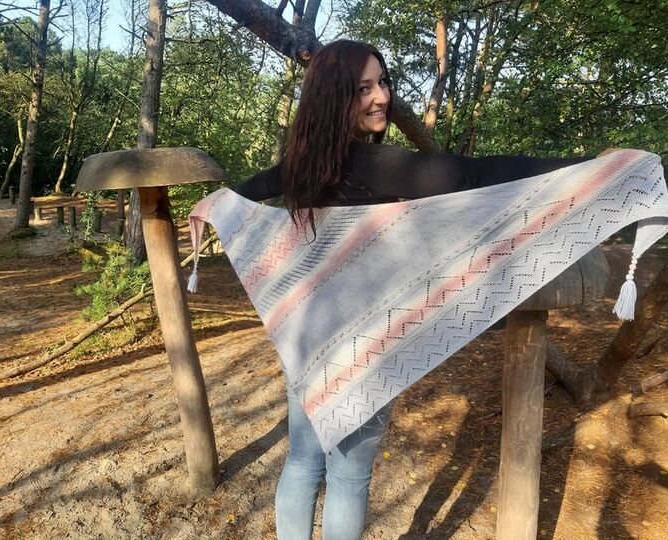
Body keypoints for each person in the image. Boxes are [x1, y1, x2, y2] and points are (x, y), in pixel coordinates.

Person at [230, 40, 595, 540]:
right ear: (334, 97)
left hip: (308, 344)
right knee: (347, 477)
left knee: (302, 461)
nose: (382, 97)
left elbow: (252, 189)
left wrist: (217, 204)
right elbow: (470, 174)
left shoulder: (301, 166)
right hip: (363, 351)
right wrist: (587, 166)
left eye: (382, 82)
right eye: (363, 88)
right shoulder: (372, 164)